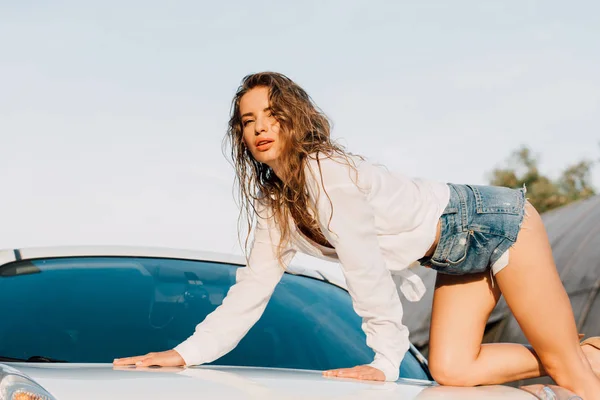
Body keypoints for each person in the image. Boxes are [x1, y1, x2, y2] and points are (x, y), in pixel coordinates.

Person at [114, 72, 600, 398]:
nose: (261, 128)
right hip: (452, 256)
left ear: (294, 119)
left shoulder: (326, 173)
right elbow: (252, 291)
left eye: (272, 115)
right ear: (240, 135)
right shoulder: (276, 206)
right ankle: (583, 348)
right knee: (452, 371)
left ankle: (575, 357)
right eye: (249, 121)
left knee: (571, 377)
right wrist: (186, 354)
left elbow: (364, 269)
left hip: (496, 223)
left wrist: (386, 359)